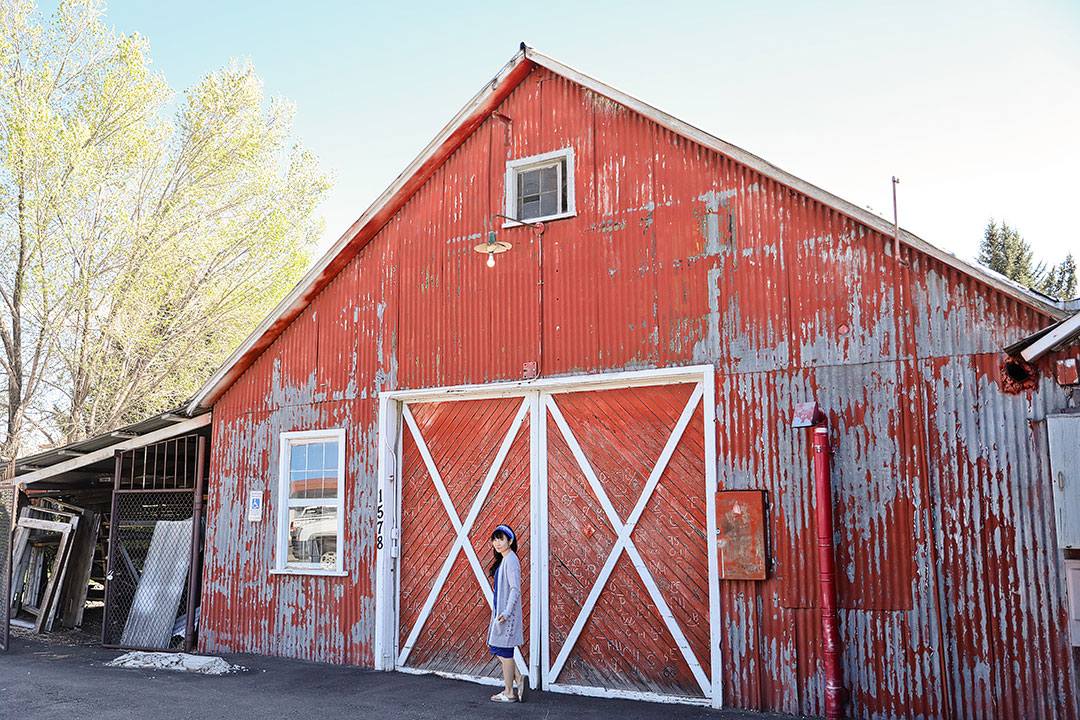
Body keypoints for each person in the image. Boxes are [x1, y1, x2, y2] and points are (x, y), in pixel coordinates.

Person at [488, 524, 526, 702]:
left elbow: (515, 589)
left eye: (501, 538)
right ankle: (517, 677)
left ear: (510, 541)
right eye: (494, 539)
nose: (497, 542)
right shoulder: (505, 560)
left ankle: (510, 692)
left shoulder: (511, 560)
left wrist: (507, 612)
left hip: (506, 615)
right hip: (500, 613)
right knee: (498, 649)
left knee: (504, 651)